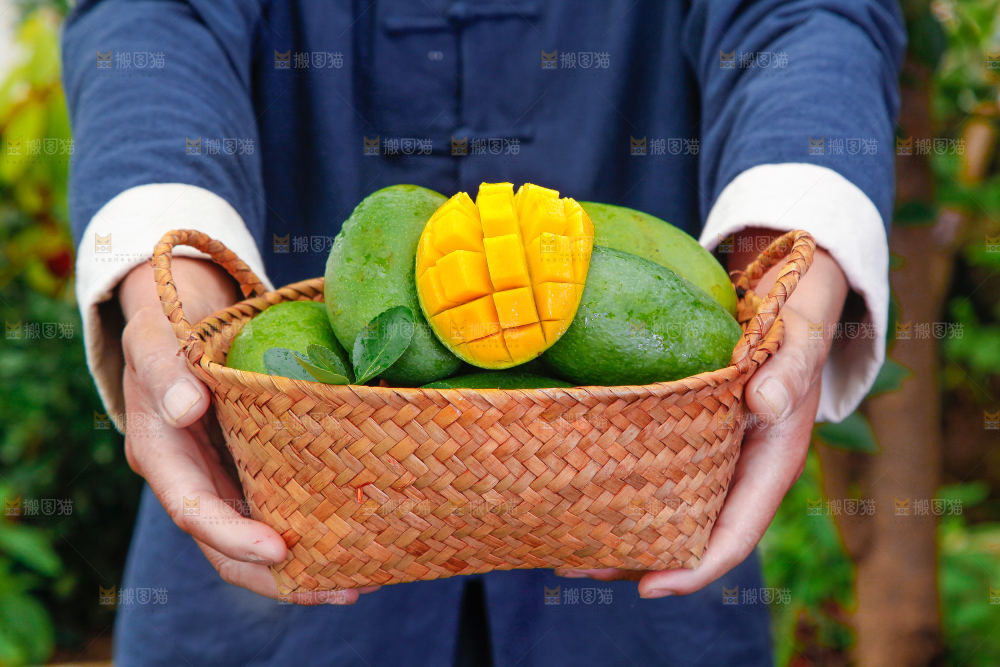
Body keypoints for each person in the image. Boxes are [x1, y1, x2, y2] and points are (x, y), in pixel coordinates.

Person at [63, 1, 904, 664]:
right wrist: (169, 277)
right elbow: (154, 16)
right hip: (276, 536)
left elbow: (805, 13)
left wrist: (789, 262)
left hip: (640, 569)